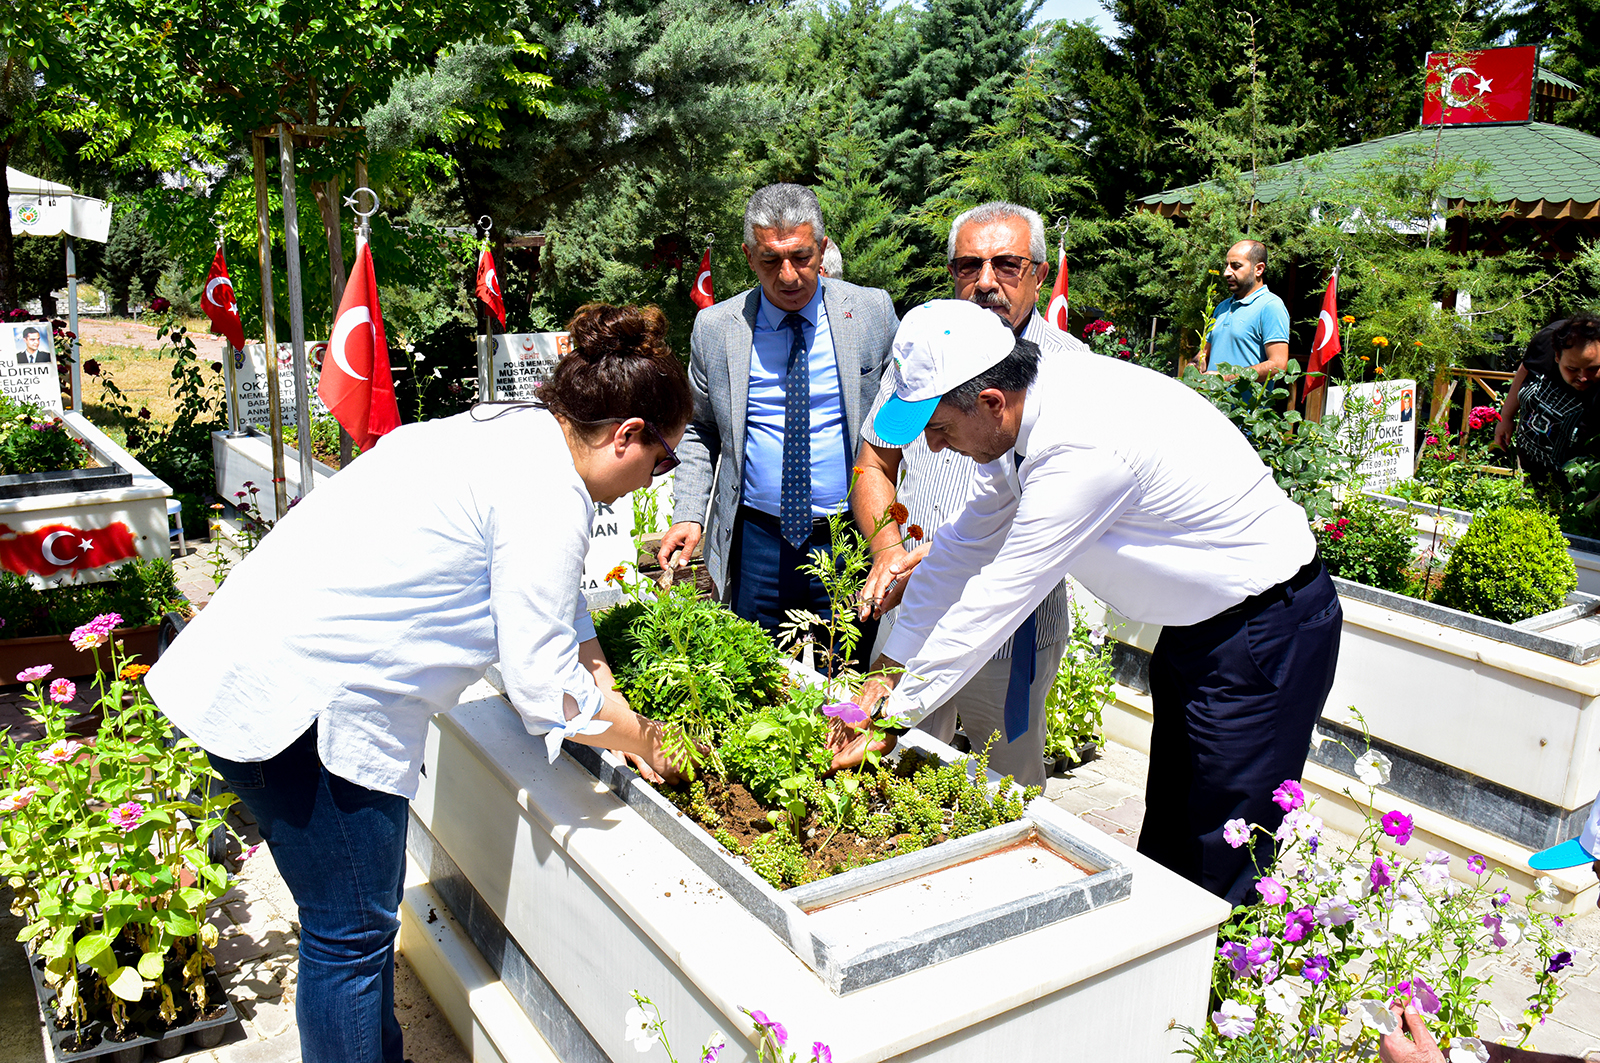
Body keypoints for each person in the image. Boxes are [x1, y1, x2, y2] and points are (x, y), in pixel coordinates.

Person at [146, 303, 691, 1063]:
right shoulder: (550, 494)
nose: (652, 480)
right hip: (310, 714)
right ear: (627, 434)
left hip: (265, 667)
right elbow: (541, 687)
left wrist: (603, 680)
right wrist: (643, 736)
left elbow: (554, 602)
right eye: (661, 461)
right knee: (350, 936)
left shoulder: (513, 433)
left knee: (354, 931)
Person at [841, 299, 1342, 905]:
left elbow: (1000, 596)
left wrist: (893, 716)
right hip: (1201, 630)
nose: (937, 449)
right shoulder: (1021, 415)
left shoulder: (1081, 447)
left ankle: (1216, 990)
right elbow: (960, 553)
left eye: (940, 430)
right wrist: (889, 673)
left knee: (1222, 846)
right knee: (1169, 829)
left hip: (1266, 633)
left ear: (992, 402)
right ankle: (1158, 971)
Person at [852, 202, 1087, 787]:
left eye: (1006, 264)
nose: (986, 283)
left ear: (1037, 272)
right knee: (894, 781)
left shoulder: (1067, 373)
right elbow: (874, 463)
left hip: (1011, 628)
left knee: (1003, 786)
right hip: (916, 603)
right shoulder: (922, 352)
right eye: (967, 266)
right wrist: (888, 550)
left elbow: (1007, 550)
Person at [657, 183, 898, 660]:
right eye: (770, 260)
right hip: (758, 540)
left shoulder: (871, 313)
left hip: (849, 535)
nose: (788, 275)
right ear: (748, 256)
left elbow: (900, 424)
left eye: (802, 257)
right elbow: (698, 430)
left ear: (823, 249)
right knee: (755, 677)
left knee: (847, 677)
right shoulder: (717, 329)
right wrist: (688, 511)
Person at [1494, 315, 1600, 490]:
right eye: (1572, 369)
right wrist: (1506, 417)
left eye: (1593, 369)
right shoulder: (1546, 341)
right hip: (1531, 470)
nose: (1583, 377)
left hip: (1575, 493)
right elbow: (1526, 368)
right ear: (1557, 355)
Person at [1196, 240, 1290, 382]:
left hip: (1245, 405)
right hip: (1210, 403)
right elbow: (1205, 353)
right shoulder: (1222, 308)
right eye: (1226, 265)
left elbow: (1278, 365)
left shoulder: (1271, 306)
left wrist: (1226, 378)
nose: (1226, 272)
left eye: (1236, 266)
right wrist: (1194, 365)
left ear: (1258, 269)